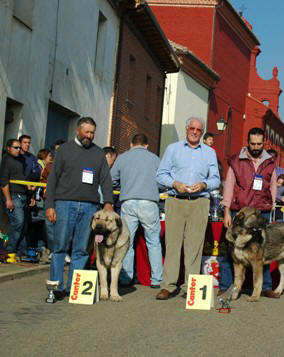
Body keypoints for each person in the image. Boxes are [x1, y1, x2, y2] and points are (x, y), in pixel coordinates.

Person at [45, 117, 114, 300]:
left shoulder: (98, 153)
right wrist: (49, 205)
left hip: (90, 206)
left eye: (92, 133)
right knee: (60, 246)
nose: (90, 136)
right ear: (78, 131)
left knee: (82, 249)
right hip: (64, 203)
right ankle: (56, 286)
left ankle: (74, 288)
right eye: (87, 132)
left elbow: (106, 180)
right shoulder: (64, 150)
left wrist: (108, 202)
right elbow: (53, 179)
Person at [155, 117, 219, 300]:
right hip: (175, 199)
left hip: (199, 201)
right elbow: (160, 175)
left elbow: (215, 178)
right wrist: (174, 183)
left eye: (198, 130)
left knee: (194, 246)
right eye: (192, 128)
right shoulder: (173, 149)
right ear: (186, 129)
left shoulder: (209, 153)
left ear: (202, 132)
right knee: (172, 244)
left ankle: (190, 286)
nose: (194, 131)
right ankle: (168, 285)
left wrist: (204, 184)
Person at [219, 127, 277, 297]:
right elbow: (229, 187)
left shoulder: (270, 162)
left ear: (264, 143)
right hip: (240, 212)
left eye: (259, 143)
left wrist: (271, 207)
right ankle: (226, 285)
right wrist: (227, 212)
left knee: (262, 250)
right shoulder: (236, 161)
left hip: (261, 212)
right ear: (248, 143)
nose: (256, 146)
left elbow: (272, 185)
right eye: (253, 143)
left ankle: (265, 287)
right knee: (231, 250)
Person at [110, 134, 163, 288]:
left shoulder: (122, 158)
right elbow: (162, 181)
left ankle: (126, 277)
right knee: (153, 242)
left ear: (131, 144)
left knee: (127, 241)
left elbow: (111, 179)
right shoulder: (155, 159)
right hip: (149, 202)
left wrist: (122, 185)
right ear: (146, 145)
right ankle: (156, 280)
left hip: (128, 201)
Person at [0, 139, 34, 263]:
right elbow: (4, 182)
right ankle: (9, 252)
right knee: (18, 223)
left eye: (20, 147)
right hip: (13, 196)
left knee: (22, 225)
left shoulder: (21, 160)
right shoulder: (6, 161)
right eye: (16, 147)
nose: (19, 149)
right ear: (8, 148)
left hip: (23, 195)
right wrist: (8, 199)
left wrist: (29, 189)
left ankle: (17, 251)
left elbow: (21, 178)